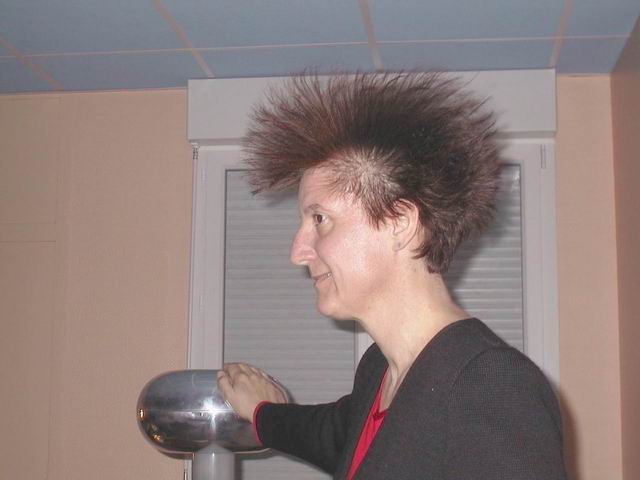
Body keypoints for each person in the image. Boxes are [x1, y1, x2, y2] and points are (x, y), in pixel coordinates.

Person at [216, 72, 567, 479]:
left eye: (320, 219)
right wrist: (264, 414)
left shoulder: (492, 387)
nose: (298, 251)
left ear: (400, 223)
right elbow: (333, 435)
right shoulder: (380, 371)